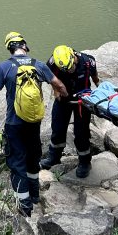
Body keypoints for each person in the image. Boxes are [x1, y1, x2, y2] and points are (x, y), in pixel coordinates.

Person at [0, 32, 67, 217]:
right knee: (33, 158)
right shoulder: (39, 65)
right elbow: (58, 85)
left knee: (17, 162)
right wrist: (65, 98)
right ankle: (34, 195)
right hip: (34, 122)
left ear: (9, 49)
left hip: (14, 123)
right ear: (25, 46)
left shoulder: (4, 67)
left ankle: (25, 206)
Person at [39, 45, 99, 178]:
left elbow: (95, 77)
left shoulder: (88, 62)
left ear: (73, 57)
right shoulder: (53, 62)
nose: (70, 71)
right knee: (58, 128)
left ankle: (84, 162)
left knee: (81, 132)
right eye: (66, 70)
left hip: (82, 102)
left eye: (71, 67)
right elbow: (50, 77)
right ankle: (54, 157)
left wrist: (99, 91)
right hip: (63, 99)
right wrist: (56, 91)